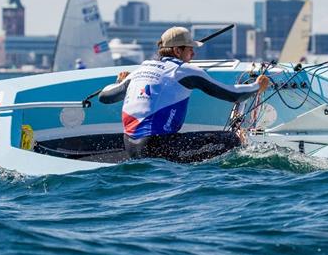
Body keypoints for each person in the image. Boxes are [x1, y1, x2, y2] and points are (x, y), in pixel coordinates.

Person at [99, 26, 270, 163]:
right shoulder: (183, 71)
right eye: (190, 49)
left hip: (131, 147)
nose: (193, 54)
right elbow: (232, 94)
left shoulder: (140, 70)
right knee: (232, 140)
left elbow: (105, 97)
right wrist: (257, 86)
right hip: (159, 148)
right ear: (177, 51)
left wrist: (119, 83)